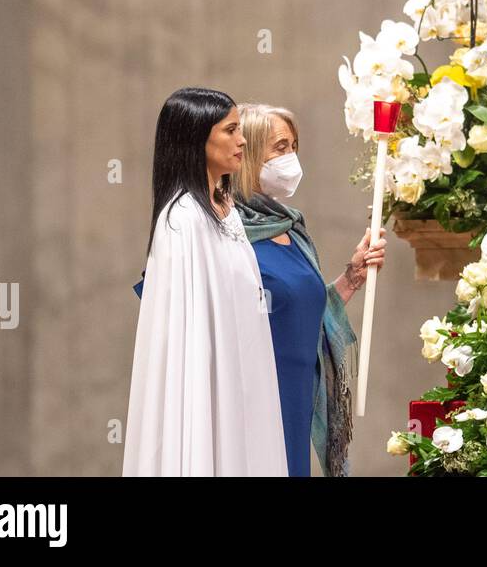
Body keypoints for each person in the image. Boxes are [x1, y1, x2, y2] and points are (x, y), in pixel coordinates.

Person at [123, 87, 288, 476]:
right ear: (196, 139)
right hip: (207, 385)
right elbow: (186, 339)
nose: (243, 140)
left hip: (242, 376)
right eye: (230, 130)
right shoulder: (183, 219)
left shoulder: (225, 209)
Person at [231, 102, 385, 477]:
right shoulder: (228, 231)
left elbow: (302, 312)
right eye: (280, 148)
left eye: (294, 146)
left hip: (299, 394)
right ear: (248, 154)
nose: (291, 158)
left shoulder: (290, 227)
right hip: (253, 397)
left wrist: (351, 276)